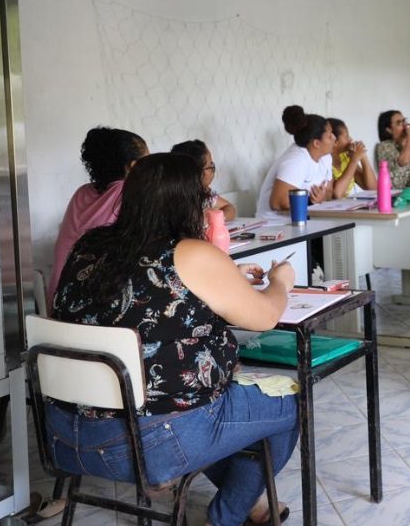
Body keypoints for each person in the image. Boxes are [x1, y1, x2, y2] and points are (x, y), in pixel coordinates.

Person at [50, 153, 298, 526]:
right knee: (290, 402)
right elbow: (265, 316)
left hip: (66, 437)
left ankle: (246, 504)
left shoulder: (90, 245)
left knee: (219, 408)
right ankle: (228, 515)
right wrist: (282, 282)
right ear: (188, 201)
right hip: (151, 442)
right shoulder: (189, 252)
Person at [48, 127, 148, 303]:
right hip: (98, 308)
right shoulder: (130, 193)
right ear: (133, 166)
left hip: (58, 302)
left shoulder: (82, 193)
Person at [256, 106, 336, 218]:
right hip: (275, 224)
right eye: (329, 136)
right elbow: (278, 203)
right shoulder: (296, 160)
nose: (334, 138)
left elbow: (329, 191)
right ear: (316, 143)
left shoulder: (326, 158)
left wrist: (322, 198)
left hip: (305, 219)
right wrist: (312, 201)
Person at [171, 139, 237, 220]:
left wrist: (215, 219)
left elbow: (229, 208)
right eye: (210, 166)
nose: (213, 169)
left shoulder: (205, 192)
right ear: (195, 173)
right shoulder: (172, 197)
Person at [327, 117, 376, 197]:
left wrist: (363, 157)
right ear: (335, 141)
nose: (351, 139)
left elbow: (373, 189)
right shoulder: (326, 161)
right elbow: (337, 194)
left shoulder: (345, 157)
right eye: (346, 137)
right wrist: (354, 160)